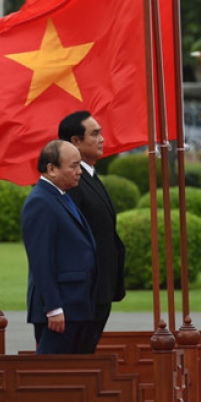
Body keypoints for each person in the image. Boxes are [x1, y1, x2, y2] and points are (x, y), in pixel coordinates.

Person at [58, 111, 127, 353]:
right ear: (75, 142)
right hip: (84, 293)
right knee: (75, 361)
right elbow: (69, 239)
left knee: (86, 357)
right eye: (95, 134)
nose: (102, 139)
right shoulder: (71, 183)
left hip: (101, 288)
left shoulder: (91, 176)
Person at [22, 140, 97, 354]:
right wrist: (53, 308)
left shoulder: (59, 196)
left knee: (72, 376)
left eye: (79, 165)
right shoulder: (40, 202)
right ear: (52, 168)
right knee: (52, 376)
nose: (79, 171)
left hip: (76, 305)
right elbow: (41, 261)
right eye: (73, 166)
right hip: (60, 311)